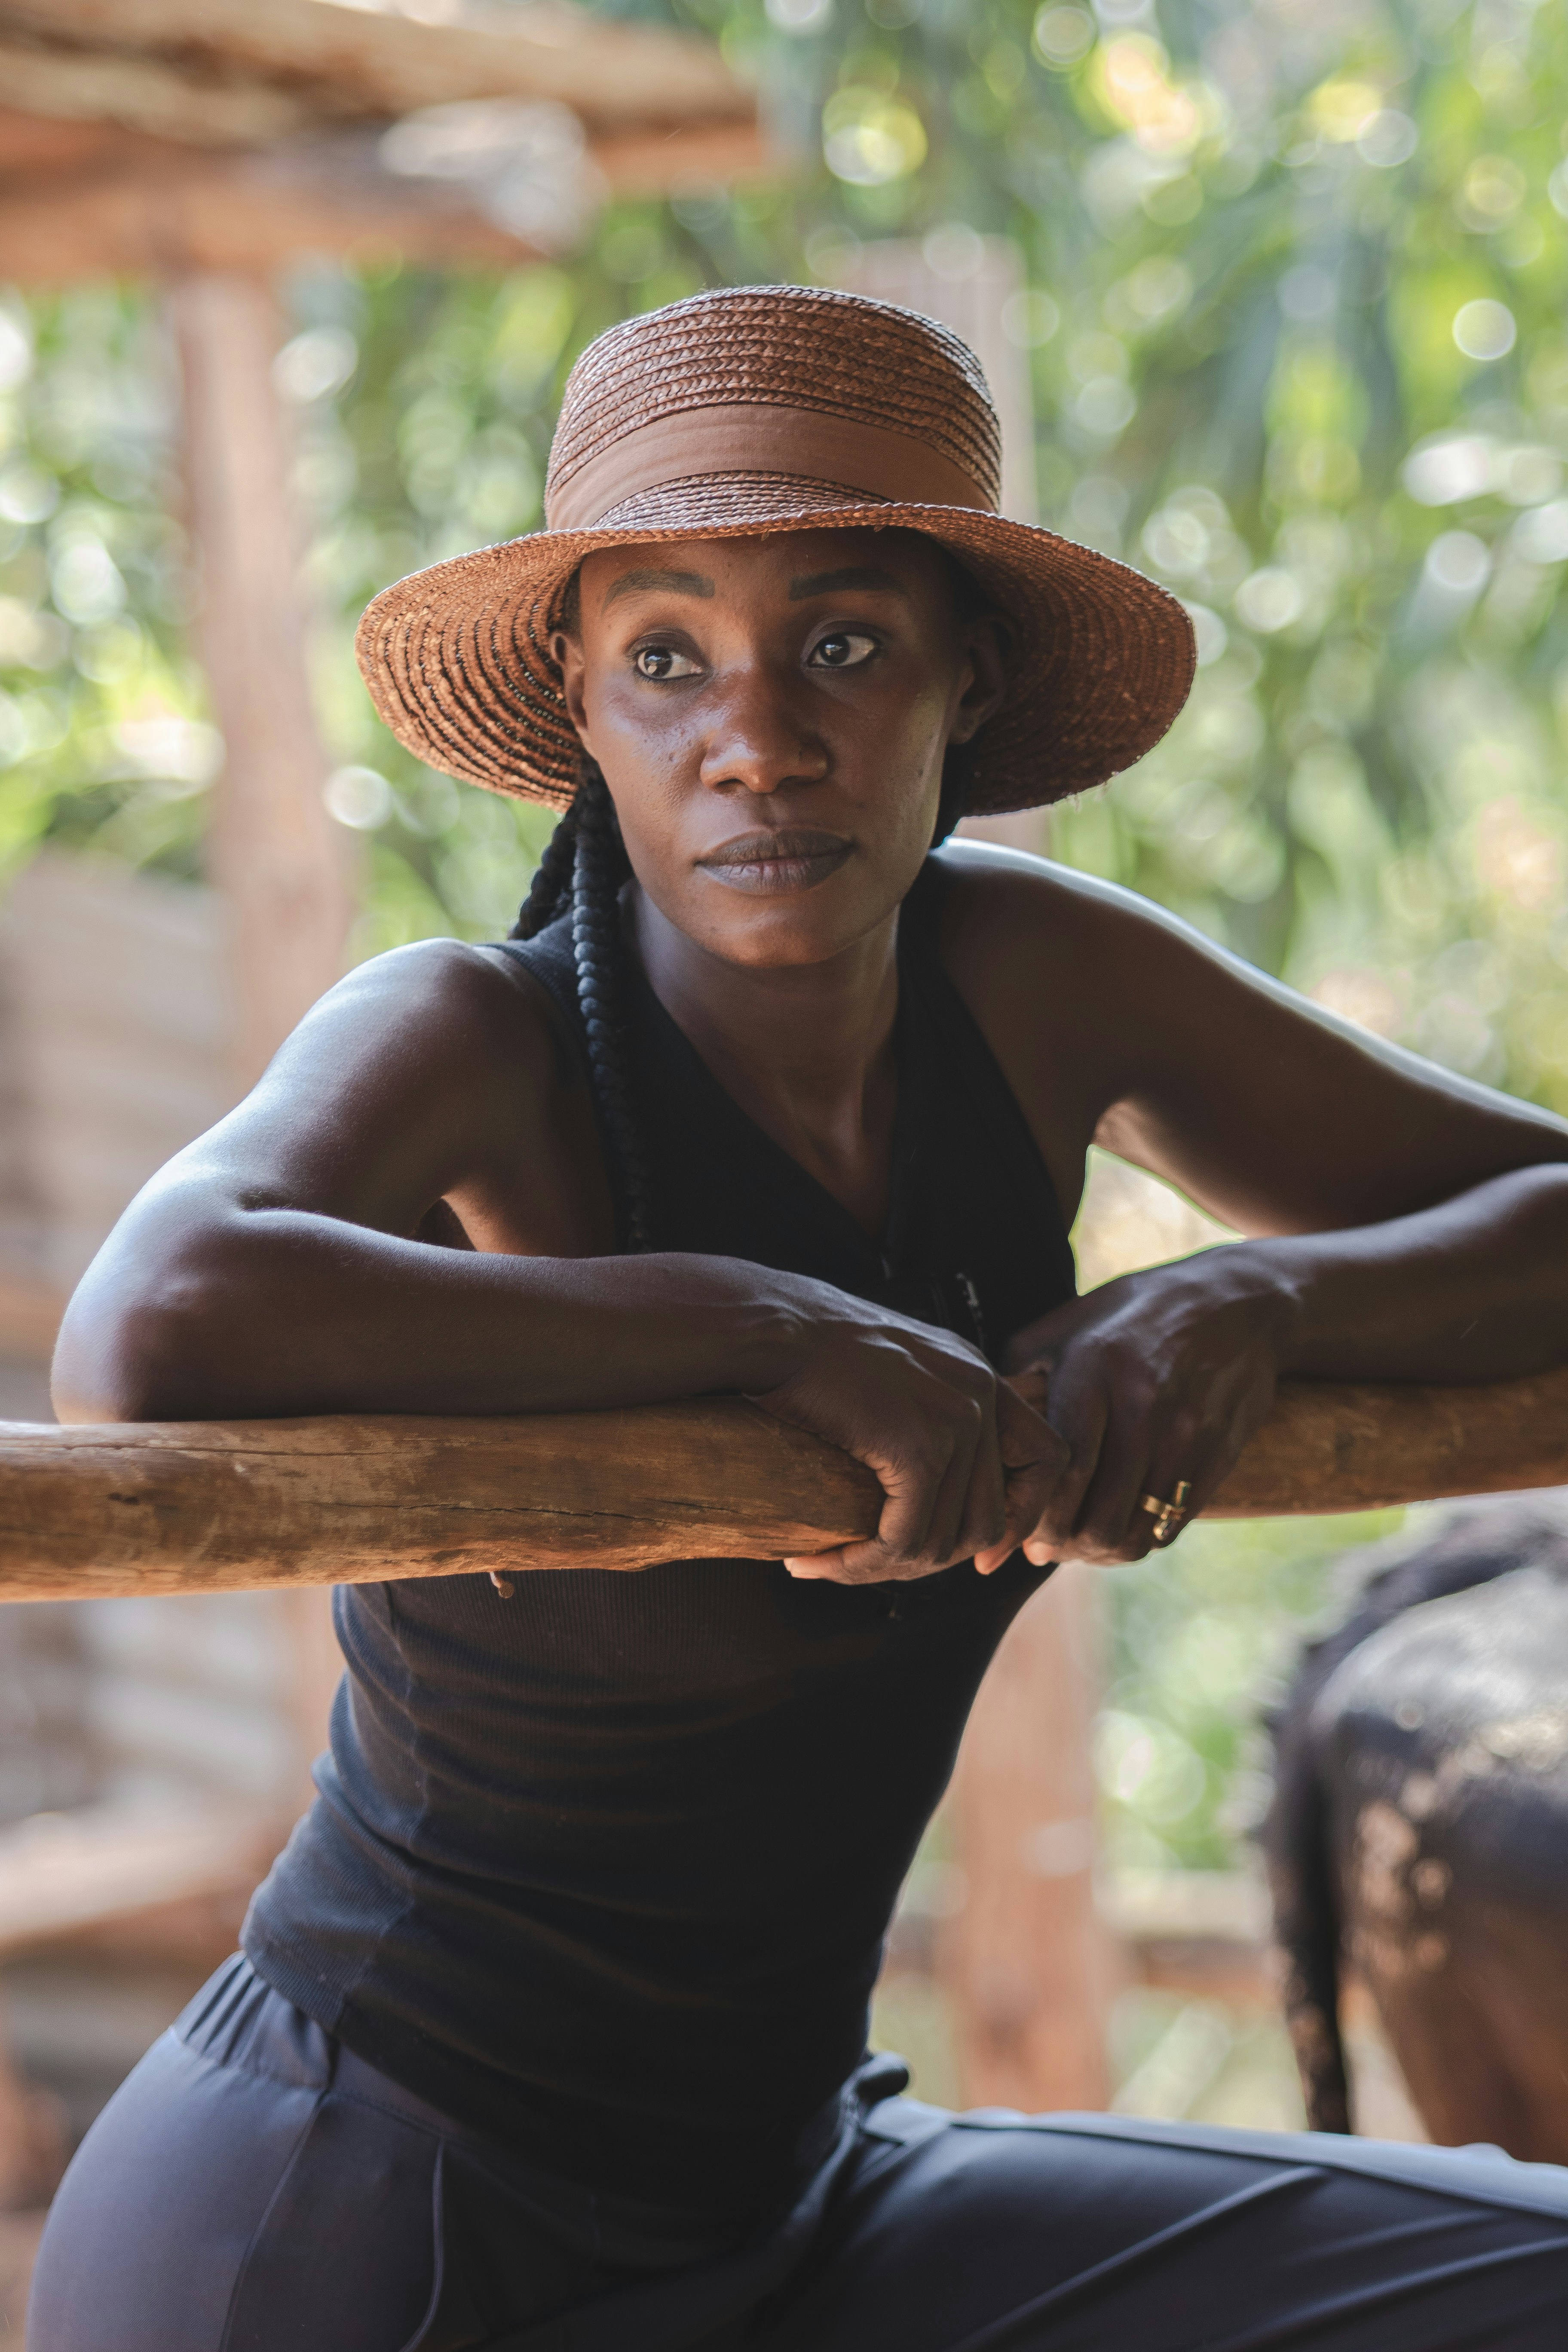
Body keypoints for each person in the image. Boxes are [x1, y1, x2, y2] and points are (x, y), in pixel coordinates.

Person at [28, 286, 1568, 2351]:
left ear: (968, 677)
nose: (756, 734)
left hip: (795, 2189)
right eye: (666, 659)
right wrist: (764, 1326)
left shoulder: (1031, 983)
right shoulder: (474, 1033)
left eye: (845, 644)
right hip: (364, 2209)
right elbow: (155, 1327)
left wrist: (1255, 1298)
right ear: (583, 708)